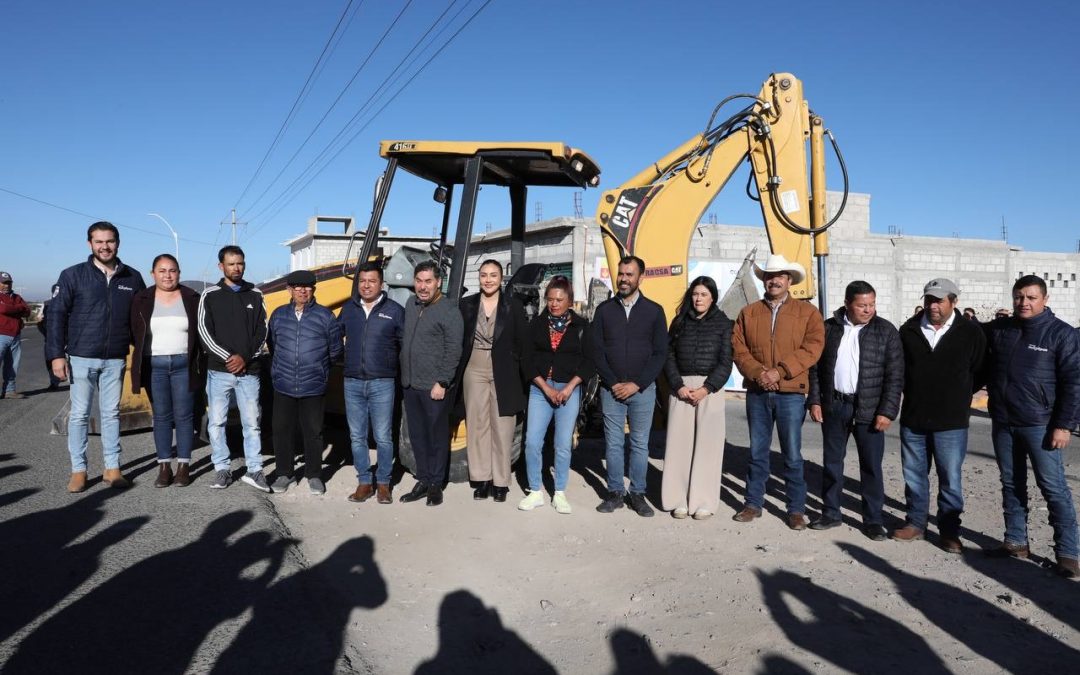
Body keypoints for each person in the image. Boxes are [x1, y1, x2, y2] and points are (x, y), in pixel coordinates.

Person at [983, 275, 1080, 578]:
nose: (1023, 303)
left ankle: (1068, 553)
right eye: (1018, 297)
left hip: (1041, 424)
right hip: (1004, 422)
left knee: (1053, 488)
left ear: (1044, 299)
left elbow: (1074, 383)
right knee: (1011, 484)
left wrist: (1063, 425)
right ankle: (1015, 542)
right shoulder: (1002, 331)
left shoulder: (1061, 334)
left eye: (1031, 298)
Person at [46, 222, 146, 492]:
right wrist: (57, 355)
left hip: (115, 358)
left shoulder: (132, 278)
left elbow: (141, 321)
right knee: (79, 415)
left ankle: (112, 468)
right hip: (81, 357)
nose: (105, 246)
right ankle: (79, 470)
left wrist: (143, 355)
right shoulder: (72, 275)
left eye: (110, 241)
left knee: (112, 414)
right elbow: (56, 316)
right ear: (89, 244)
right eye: (99, 241)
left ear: (118, 243)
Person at [731, 253, 825, 529]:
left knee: (792, 454)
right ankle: (752, 503)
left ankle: (796, 509)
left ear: (789, 280)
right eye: (769, 276)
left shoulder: (808, 313)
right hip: (758, 391)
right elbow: (738, 348)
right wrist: (760, 373)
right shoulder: (748, 313)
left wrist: (780, 371)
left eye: (779, 276)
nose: (774, 280)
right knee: (757, 451)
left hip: (791, 393)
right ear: (764, 280)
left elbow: (813, 348)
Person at [893, 278, 985, 552]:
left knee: (950, 478)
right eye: (929, 299)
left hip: (951, 422)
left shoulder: (970, 332)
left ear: (953, 301)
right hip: (914, 418)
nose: (933, 305)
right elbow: (901, 369)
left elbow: (980, 370)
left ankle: (948, 530)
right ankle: (915, 523)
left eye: (939, 300)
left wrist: (958, 394)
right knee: (914, 475)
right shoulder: (908, 330)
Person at [806, 280, 903, 540]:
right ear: (848, 304)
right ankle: (830, 513)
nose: (868, 310)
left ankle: (872, 520)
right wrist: (814, 401)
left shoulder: (886, 331)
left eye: (871, 304)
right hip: (834, 405)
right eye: (862, 305)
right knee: (832, 463)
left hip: (870, 409)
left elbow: (895, 376)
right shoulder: (828, 328)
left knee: (871, 466)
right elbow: (814, 369)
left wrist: (887, 412)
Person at [591, 255, 668, 517]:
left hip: (642, 391)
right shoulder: (604, 311)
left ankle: (637, 494)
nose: (623, 278)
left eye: (629, 274)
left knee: (639, 444)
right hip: (611, 390)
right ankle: (615, 493)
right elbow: (596, 351)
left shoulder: (654, 311)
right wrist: (613, 383)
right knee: (613, 444)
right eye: (621, 273)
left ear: (640, 277)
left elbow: (660, 353)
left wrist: (637, 384)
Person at [518, 276, 593, 514]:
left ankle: (559, 492)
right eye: (550, 299)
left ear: (569, 301)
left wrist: (569, 387)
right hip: (541, 389)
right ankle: (535, 491)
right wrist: (546, 387)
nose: (554, 304)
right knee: (532, 442)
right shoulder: (536, 325)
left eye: (559, 300)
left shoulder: (581, 327)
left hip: (569, 389)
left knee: (562, 444)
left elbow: (589, 362)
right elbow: (527, 361)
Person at [198, 245, 270, 492]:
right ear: (222, 266)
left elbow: (263, 331)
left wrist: (245, 358)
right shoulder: (210, 295)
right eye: (231, 264)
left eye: (240, 263)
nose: (236, 268)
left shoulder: (256, 294)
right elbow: (204, 333)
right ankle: (222, 469)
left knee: (252, 423)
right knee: (216, 422)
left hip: (249, 372)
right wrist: (229, 357)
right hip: (219, 372)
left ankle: (255, 470)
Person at [661, 276, 733, 521]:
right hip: (681, 388)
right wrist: (678, 385)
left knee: (708, 447)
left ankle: (703, 501)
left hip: (709, 390)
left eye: (704, 294)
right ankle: (677, 499)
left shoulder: (724, 324)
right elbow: (668, 356)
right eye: (695, 294)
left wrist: (707, 388)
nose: (699, 298)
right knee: (678, 445)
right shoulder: (679, 322)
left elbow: (726, 362)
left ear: (712, 297)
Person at [266, 270, 343, 496]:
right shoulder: (279, 315)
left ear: (313, 289)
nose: (302, 290)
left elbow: (336, 350)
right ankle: (285, 473)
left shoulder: (325, 317)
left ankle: (314, 475)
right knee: (281, 430)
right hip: (284, 384)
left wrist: (318, 369)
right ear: (289, 290)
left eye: (307, 286)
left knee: (314, 432)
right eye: (297, 286)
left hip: (313, 385)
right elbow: (273, 345)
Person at [130, 254, 204, 487]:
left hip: (184, 363)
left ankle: (183, 466)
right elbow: (134, 331)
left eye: (172, 270)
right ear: (153, 273)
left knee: (184, 416)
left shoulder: (192, 297)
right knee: (161, 416)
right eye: (162, 271)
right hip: (155, 365)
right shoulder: (141, 298)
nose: (167, 275)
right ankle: (164, 466)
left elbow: (201, 330)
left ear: (179, 273)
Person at [457, 260, 528, 503]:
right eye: (484, 275)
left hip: (503, 369)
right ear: (478, 277)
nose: (488, 280)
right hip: (474, 367)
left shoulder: (513, 306)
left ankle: (501, 481)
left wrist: (513, 365)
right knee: (477, 425)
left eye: (493, 275)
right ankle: (482, 479)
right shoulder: (467, 305)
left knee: (503, 425)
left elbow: (522, 340)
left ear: (501, 278)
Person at [398, 260, 463, 506]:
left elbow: (453, 350)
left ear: (438, 283)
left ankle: (436, 483)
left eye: (428, 281)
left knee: (436, 437)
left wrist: (442, 382)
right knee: (418, 436)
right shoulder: (410, 305)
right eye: (419, 281)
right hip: (411, 384)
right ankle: (423, 479)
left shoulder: (448, 310)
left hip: (434, 386)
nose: (423, 287)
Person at [339, 261, 404, 505]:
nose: (366, 285)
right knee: (357, 436)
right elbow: (336, 337)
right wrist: (343, 360)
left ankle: (384, 484)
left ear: (381, 284)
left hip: (382, 382)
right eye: (362, 281)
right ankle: (365, 482)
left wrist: (391, 366)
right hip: (353, 381)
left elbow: (403, 344)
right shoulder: (349, 309)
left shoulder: (395, 310)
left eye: (372, 281)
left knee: (383, 436)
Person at [0, 271, 30, 399]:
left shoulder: (17, 297)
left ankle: (9, 390)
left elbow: (27, 311)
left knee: (12, 365)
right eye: (4, 283)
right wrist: (18, 309)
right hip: (1, 335)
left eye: (9, 283)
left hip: (15, 335)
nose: (7, 285)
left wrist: (12, 308)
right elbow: (3, 309)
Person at [37, 284, 63, 390]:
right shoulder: (46, 304)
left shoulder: (72, 303)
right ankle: (54, 382)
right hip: (52, 338)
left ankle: (57, 382)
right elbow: (40, 320)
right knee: (50, 360)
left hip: (62, 338)